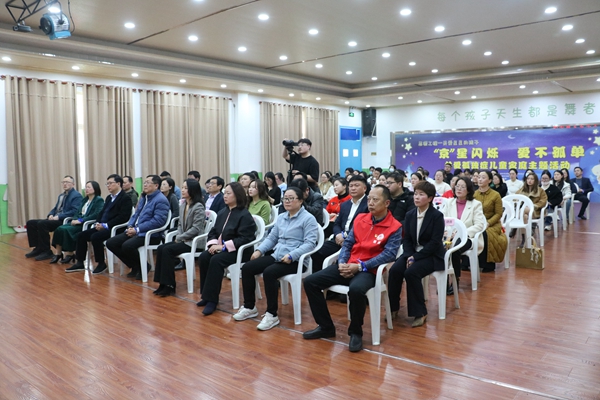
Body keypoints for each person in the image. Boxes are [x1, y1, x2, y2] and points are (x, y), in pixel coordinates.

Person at [303, 185, 401, 352]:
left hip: (370, 270)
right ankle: (326, 326)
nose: (370, 203)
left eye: (375, 200)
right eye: (369, 199)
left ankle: (356, 332)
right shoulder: (360, 219)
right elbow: (347, 244)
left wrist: (361, 266)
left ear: (387, 203)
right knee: (310, 282)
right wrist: (342, 262)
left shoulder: (395, 226)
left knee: (356, 290)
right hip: (349, 264)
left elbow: (389, 255)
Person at [232, 187, 320, 330]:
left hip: (296, 261)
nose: (287, 201)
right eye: (285, 198)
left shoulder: (308, 218)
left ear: (300, 201)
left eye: (291, 198)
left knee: (269, 272)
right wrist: (259, 250)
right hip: (277, 255)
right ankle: (249, 307)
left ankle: (272, 314)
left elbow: (310, 244)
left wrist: (292, 255)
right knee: (247, 268)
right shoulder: (282, 217)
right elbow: (272, 238)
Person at [388, 181, 444, 328]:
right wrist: (409, 255)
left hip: (431, 255)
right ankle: (392, 307)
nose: (417, 197)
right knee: (395, 270)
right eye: (416, 194)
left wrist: (416, 257)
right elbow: (407, 239)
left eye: (421, 194)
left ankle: (420, 312)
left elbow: (435, 242)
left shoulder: (437, 216)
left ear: (430, 198)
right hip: (412, 252)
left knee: (411, 272)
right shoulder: (410, 214)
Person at [196, 182, 257, 315]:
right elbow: (213, 231)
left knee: (216, 260)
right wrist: (213, 244)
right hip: (222, 248)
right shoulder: (223, 212)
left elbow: (245, 238)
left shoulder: (244, 214)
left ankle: (212, 300)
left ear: (237, 195)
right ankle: (206, 296)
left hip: (239, 251)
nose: (225, 196)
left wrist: (223, 247)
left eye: (229, 193)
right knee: (204, 257)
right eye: (225, 193)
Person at [105, 175, 170, 280]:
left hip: (150, 234)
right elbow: (136, 214)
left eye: (148, 182)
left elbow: (158, 221)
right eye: (145, 182)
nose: (145, 185)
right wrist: (130, 226)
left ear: (156, 186)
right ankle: (136, 265)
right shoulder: (144, 197)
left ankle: (143, 266)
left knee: (127, 246)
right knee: (111, 243)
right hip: (136, 230)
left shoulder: (161, 200)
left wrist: (137, 229)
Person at [66, 174, 133, 274]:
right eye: (107, 184)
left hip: (115, 228)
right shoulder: (109, 198)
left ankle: (101, 263)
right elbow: (102, 213)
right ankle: (80, 262)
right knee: (81, 235)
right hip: (102, 226)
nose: (108, 186)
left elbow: (123, 217)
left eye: (110, 183)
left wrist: (106, 225)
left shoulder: (125, 198)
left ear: (118, 184)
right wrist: (98, 223)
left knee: (96, 237)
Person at [153, 179, 206, 297]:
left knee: (167, 250)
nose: (182, 190)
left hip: (194, 242)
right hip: (184, 240)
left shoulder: (198, 206)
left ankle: (170, 285)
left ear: (193, 190)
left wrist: (180, 237)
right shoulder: (183, 205)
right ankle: (162, 283)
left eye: (186, 188)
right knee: (161, 248)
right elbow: (180, 225)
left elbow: (196, 229)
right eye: (182, 187)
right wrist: (180, 236)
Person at [312, 175, 369, 274]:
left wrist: (345, 236)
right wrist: (338, 234)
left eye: (356, 185)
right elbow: (337, 223)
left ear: (364, 188)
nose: (353, 188)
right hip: (338, 238)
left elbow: (364, 227)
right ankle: (319, 277)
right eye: (351, 186)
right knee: (317, 252)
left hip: (356, 241)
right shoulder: (345, 204)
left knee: (342, 262)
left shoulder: (369, 205)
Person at [442, 177, 485, 294]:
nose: (459, 189)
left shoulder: (475, 204)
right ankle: (444, 279)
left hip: (467, 238)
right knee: (440, 248)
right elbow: (442, 220)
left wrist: (462, 232)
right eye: (457, 186)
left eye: (462, 187)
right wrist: (448, 231)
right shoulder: (449, 202)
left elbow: (479, 225)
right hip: (449, 236)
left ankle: (455, 280)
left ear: (469, 189)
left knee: (454, 249)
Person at [26, 175, 83, 261]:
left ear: (73, 184)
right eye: (63, 182)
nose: (65, 184)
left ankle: (46, 251)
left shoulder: (77, 196)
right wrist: (50, 214)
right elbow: (56, 208)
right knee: (31, 223)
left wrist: (59, 216)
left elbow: (74, 211)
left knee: (42, 224)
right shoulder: (61, 195)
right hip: (55, 218)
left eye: (67, 182)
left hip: (64, 220)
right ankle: (38, 248)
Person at [50, 181, 104, 264]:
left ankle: (70, 254)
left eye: (89, 187)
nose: (86, 189)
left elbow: (96, 214)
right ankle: (58, 253)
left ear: (95, 189)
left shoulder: (98, 200)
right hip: (78, 222)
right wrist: (75, 219)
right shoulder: (85, 200)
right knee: (59, 229)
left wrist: (81, 220)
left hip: (87, 224)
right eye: (86, 187)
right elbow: (77, 212)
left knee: (66, 230)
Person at [474, 170, 508, 272]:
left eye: (483, 177)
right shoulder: (474, 194)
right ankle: (468, 262)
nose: (480, 179)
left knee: (486, 234)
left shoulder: (495, 195)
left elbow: (498, 213)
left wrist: (488, 223)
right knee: (470, 232)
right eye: (479, 177)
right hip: (477, 222)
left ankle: (487, 264)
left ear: (489, 180)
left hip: (492, 223)